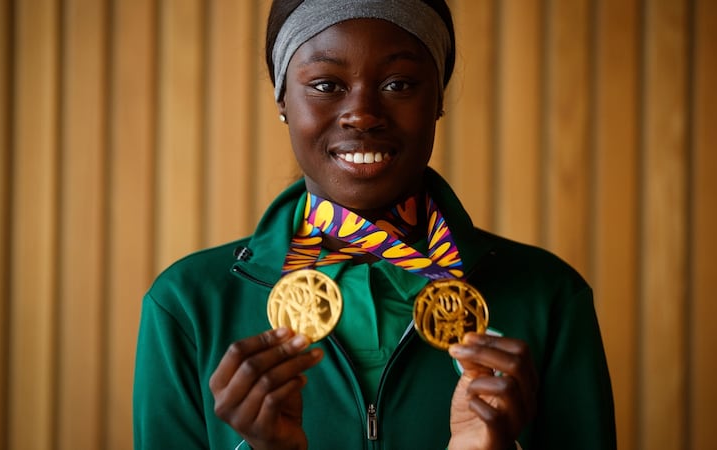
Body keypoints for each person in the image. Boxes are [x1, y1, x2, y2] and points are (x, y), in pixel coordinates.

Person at [133, 0, 616, 449]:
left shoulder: (549, 298)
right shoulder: (187, 306)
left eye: (399, 83)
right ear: (282, 98)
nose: (362, 114)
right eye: (326, 85)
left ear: (439, 99)